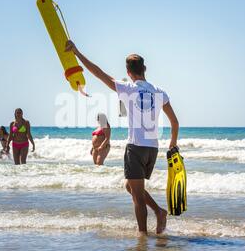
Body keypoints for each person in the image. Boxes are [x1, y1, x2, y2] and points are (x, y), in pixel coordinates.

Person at [65, 40, 179, 236]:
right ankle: (159, 211)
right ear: (145, 69)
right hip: (152, 148)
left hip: (135, 147)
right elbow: (175, 122)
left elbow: (99, 73)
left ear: (128, 72)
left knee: (137, 198)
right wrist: (172, 145)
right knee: (130, 186)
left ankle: (142, 236)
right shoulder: (160, 92)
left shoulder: (128, 89)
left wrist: (76, 52)